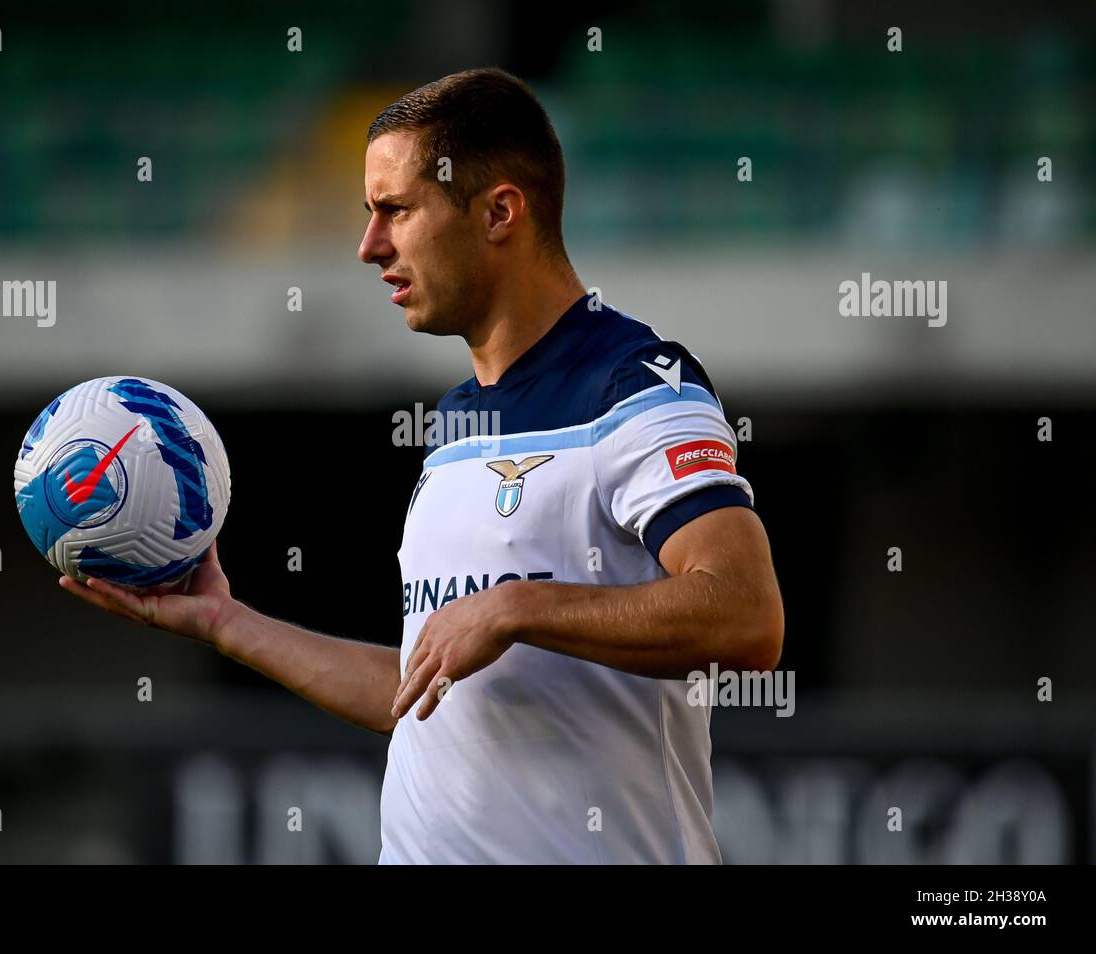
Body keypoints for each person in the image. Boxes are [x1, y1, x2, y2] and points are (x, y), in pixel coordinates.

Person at [62, 67, 783, 864]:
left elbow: (746, 616)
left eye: (395, 211)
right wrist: (228, 625)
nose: (369, 247)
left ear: (499, 212)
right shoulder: (454, 422)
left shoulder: (639, 386)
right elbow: (417, 690)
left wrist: (516, 609)